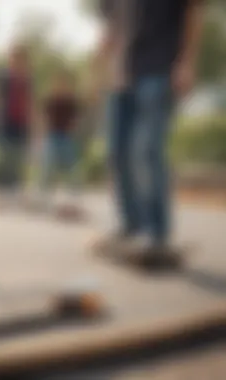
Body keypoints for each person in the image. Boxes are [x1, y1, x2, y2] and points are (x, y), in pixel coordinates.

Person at [93, 0, 204, 253]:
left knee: (146, 149)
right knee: (117, 151)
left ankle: (157, 231)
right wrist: (111, 60)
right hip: (123, 74)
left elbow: (193, 11)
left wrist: (187, 62)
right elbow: (113, 23)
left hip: (160, 68)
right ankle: (131, 225)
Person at [0, 44, 34, 210]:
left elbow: (30, 102)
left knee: (19, 158)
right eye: (14, 58)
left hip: (21, 123)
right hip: (5, 122)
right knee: (3, 158)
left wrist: (35, 125)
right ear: (10, 60)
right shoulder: (4, 77)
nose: (17, 62)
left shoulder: (27, 80)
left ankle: (19, 193)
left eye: (21, 59)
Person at [38, 72, 82, 211]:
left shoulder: (71, 101)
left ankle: (73, 198)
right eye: (59, 83)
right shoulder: (51, 100)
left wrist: (74, 131)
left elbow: (76, 119)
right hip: (52, 136)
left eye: (64, 83)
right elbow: (43, 118)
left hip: (66, 137)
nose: (61, 87)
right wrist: (41, 136)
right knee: (48, 167)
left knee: (71, 168)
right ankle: (44, 198)